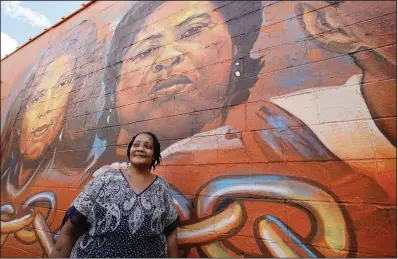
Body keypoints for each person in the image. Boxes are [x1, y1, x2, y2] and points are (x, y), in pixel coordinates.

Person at [97, 1, 393, 257]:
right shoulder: (102, 180)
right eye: (145, 51)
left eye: (192, 31)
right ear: (113, 90)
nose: (166, 58)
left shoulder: (292, 136)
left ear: (237, 51)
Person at [1, 20, 106, 204]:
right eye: (37, 97)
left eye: (62, 86)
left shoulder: (77, 179)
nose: (47, 108)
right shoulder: (6, 176)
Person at [50, 132, 180, 258]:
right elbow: (69, 229)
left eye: (148, 146)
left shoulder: (162, 188)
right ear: (129, 151)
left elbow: (171, 232)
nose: (140, 149)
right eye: (136, 145)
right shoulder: (105, 179)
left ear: (154, 155)